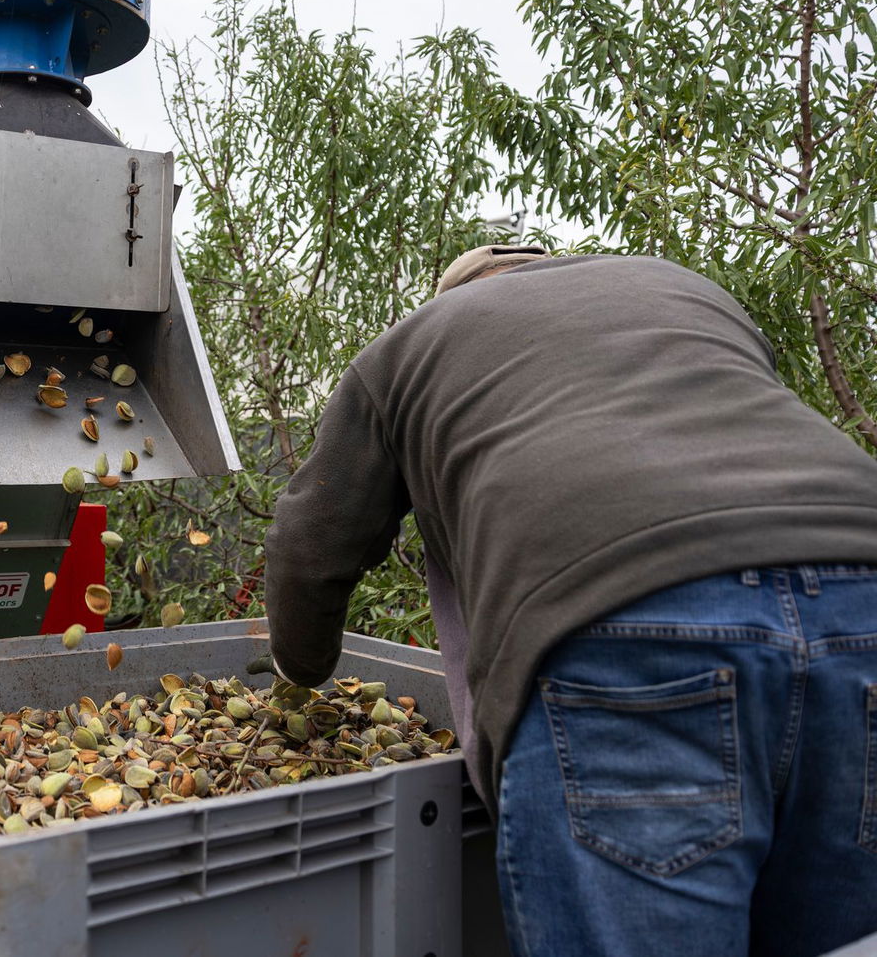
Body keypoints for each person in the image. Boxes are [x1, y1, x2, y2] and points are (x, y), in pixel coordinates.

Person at [262, 244, 877, 957]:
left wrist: (298, 676)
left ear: (450, 296)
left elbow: (309, 544)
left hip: (631, 628)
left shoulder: (413, 343)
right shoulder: (686, 290)